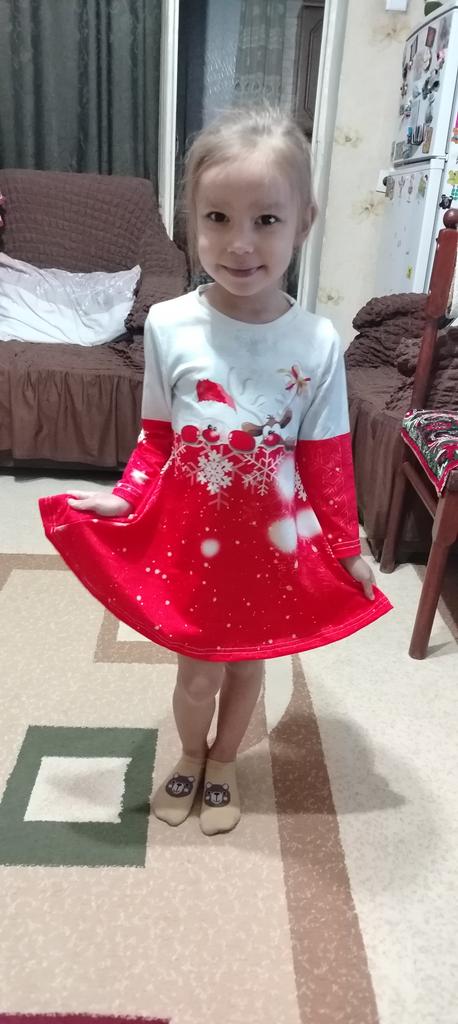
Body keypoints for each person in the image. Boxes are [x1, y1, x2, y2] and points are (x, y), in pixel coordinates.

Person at [39, 105, 392, 837]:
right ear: (191, 220)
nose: (240, 243)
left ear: (304, 222)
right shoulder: (169, 324)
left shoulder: (318, 342)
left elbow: (326, 456)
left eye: (266, 220)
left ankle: (225, 761)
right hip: (191, 538)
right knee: (196, 670)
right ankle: (190, 753)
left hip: (270, 544)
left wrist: (345, 548)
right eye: (218, 218)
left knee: (247, 663)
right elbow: (156, 439)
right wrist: (126, 498)